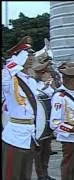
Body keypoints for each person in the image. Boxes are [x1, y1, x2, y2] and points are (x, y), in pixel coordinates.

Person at [2, 36, 38, 180]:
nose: (30, 57)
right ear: (18, 56)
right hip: (14, 136)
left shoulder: (31, 80)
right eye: (27, 53)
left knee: (25, 175)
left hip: (29, 134)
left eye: (31, 54)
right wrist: (16, 61)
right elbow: (4, 76)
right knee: (11, 175)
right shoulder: (10, 79)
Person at [32, 59, 56, 180]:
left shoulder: (49, 85)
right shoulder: (34, 85)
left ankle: (46, 173)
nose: (49, 75)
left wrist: (51, 86)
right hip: (39, 122)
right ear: (42, 73)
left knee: (47, 149)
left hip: (48, 121)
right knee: (39, 150)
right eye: (47, 72)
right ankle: (40, 175)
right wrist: (47, 87)